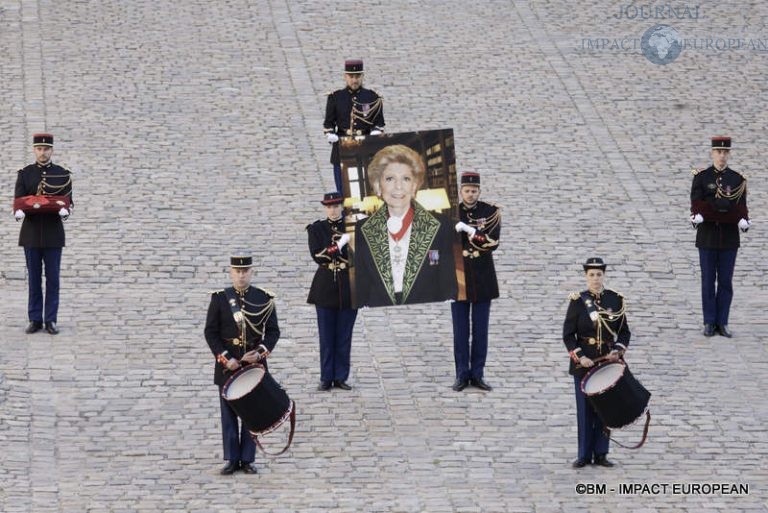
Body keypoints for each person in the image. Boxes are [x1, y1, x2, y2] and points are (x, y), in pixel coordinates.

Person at [204, 255, 280, 475]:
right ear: (231, 272)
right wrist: (227, 357)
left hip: (253, 367)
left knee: (251, 414)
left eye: (245, 271)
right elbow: (210, 332)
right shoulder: (219, 299)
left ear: (251, 272)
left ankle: (247, 458)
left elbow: (273, 331)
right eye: (237, 271)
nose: (241, 275)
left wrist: (260, 353)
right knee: (228, 415)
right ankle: (232, 458)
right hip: (228, 366)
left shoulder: (263, 298)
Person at [354, 144, 456, 307]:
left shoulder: (440, 225)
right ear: (378, 186)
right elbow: (361, 283)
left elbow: (448, 282)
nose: (398, 187)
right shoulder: (362, 228)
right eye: (390, 179)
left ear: (415, 185)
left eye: (406, 179)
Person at [562, 257, 630, 469]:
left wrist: (617, 351)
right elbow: (568, 335)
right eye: (591, 275)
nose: (595, 279)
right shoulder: (578, 301)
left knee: (605, 409)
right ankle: (583, 454)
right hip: (584, 364)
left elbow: (624, 332)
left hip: (606, 364)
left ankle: (601, 453)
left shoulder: (615, 300)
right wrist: (580, 356)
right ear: (586, 276)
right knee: (584, 409)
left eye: (598, 275)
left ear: (603, 276)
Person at [690, 136, 750, 338]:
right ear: (712, 153)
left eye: (725, 152)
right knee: (708, 281)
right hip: (707, 237)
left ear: (729, 154)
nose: (722, 156)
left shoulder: (737, 180)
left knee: (725, 281)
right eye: (718, 152)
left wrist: (738, 217)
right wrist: (723, 211)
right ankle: (709, 321)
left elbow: (740, 207)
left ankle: (722, 322)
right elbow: (697, 205)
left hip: (729, 239)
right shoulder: (702, 177)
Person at [13, 133, 73, 335]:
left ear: (52, 150)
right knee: (34, 278)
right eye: (39, 149)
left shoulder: (62, 174)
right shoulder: (25, 174)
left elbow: (67, 201)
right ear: (34, 150)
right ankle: (35, 318)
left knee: (53, 279)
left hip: (53, 233)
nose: (43, 152)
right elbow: (19, 199)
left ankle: (51, 320)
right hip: (30, 233)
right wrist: (19, 211)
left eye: (46, 149)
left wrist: (65, 211)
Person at [451, 172, 500, 392]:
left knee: (481, 330)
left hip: (482, 276)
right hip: (459, 277)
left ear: (479, 191)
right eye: (467, 191)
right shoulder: (452, 212)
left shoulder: (490, 211)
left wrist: (471, 230)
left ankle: (478, 373)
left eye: (474, 191)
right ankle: (462, 374)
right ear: (461, 191)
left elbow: (492, 242)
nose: (470, 194)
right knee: (460, 330)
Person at [306, 192, 358, 391]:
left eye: (336, 206)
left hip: (349, 286)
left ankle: (341, 376)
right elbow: (318, 256)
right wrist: (339, 245)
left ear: (341, 206)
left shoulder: (353, 227)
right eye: (329, 206)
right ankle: (326, 376)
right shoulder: (317, 229)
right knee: (326, 336)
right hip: (325, 286)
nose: (333, 210)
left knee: (344, 335)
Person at [323, 59, 385, 193]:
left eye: (357, 76)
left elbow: (379, 122)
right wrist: (330, 134)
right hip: (341, 145)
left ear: (362, 76)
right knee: (342, 189)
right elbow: (328, 124)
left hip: (367, 147)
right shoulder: (335, 97)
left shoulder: (372, 97)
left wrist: (375, 132)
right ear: (345, 76)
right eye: (351, 77)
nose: (354, 80)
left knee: (373, 187)